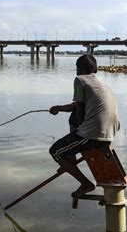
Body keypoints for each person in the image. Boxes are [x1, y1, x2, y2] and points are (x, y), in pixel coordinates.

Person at [49, 54, 120, 198]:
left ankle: (85, 183)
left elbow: (79, 109)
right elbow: (76, 106)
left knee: (55, 151)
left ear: (78, 69)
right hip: (110, 133)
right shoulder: (101, 85)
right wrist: (59, 108)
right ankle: (69, 157)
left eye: (76, 68)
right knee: (73, 117)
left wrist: (80, 131)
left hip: (93, 134)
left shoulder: (79, 80)